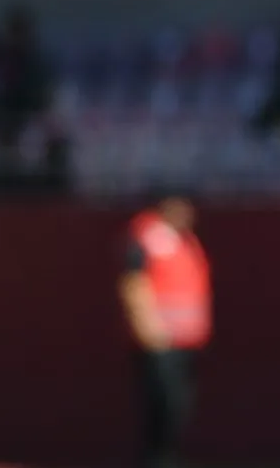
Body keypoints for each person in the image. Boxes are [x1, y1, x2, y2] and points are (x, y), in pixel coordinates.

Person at [118, 197, 211, 468]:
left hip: (185, 338)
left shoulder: (185, 240)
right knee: (163, 405)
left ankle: (170, 458)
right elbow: (132, 282)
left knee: (181, 404)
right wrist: (147, 327)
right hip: (160, 339)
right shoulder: (148, 236)